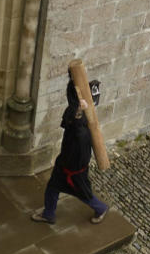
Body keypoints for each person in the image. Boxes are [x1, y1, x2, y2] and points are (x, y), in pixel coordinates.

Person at [31, 78, 108, 224]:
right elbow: (71, 107)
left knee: (84, 194)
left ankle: (101, 208)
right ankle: (48, 214)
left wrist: (79, 111)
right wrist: (72, 78)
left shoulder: (83, 134)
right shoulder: (76, 119)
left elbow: (80, 150)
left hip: (73, 171)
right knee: (52, 187)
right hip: (65, 165)